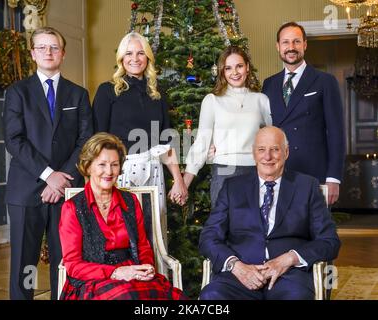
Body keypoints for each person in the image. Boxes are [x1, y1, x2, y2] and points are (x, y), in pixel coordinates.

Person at [3, 27, 93, 300]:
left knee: (64, 260)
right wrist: (48, 175)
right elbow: (14, 139)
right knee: (23, 265)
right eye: (42, 47)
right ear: (33, 53)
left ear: (63, 54)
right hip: (25, 190)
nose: (48, 52)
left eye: (54, 47)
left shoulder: (78, 94)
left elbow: (86, 141)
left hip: (67, 189)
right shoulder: (17, 92)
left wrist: (62, 177)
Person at [199, 126, 340, 300]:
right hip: (239, 275)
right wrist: (236, 266)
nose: (267, 157)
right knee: (212, 296)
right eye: (261, 150)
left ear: (286, 152)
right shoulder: (232, 188)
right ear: (254, 153)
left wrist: (289, 259)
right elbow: (209, 237)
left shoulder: (307, 187)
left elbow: (329, 241)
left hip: (288, 276)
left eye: (275, 149)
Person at [58, 132, 186, 300]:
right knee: (127, 297)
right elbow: (73, 265)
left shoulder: (130, 201)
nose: (109, 172)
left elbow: (143, 246)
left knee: (173, 298)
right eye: (102, 165)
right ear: (88, 167)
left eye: (114, 164)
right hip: (91, 281)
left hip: (131, 272)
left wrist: (145, 268)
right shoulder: (72, 207)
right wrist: (116, 273)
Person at [92, 32, 187, 222]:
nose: (134, 59)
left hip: (154, 171)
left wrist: (179, 181)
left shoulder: (158, 93)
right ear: (121, 58)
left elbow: (165, 143)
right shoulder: (107, 91)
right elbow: (98, 142)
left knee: (152, 230)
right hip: (119, 173)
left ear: (148, 57)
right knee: (121, 232)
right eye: (128, 53)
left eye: (140, 53)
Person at [262, 22, 346, 206]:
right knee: (283, 231)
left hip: (314, 173)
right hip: (279, 172)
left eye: (296, 41)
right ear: (278, 46)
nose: (291, 47)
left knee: (317, 232)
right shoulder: (268, 84)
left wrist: (333, 178)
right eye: (285, 42)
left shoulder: (325, 81)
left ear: (305, 45)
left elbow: (336, 132)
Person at [183, 46, 272, 208]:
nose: (235, 72)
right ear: (222, 72)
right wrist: (184, 183)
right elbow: (202, 142)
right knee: (224, 228)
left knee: (256, 228)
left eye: (239, 66)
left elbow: (273, 138)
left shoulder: (262, 100)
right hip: (224, 173)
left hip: (256, 172)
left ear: (247, 67)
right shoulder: (212, 100)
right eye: (228, 68)